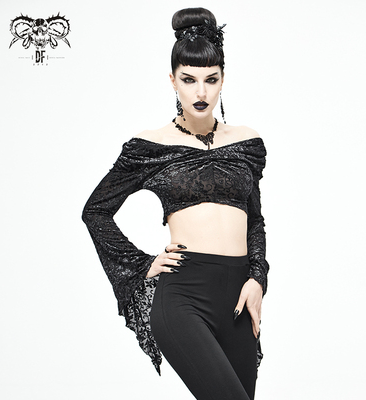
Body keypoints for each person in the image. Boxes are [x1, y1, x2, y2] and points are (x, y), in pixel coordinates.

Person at [82, 7, 269, 400]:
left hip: (238, 298)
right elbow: (95, 211)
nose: (201, 93)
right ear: (173, 81)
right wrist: (142, 264)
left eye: (210, 80)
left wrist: (257, 279)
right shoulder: (151, 146)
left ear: (222, 80)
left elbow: (254, 220)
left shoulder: (247, 143)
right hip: (183, 295)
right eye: (189, 80)